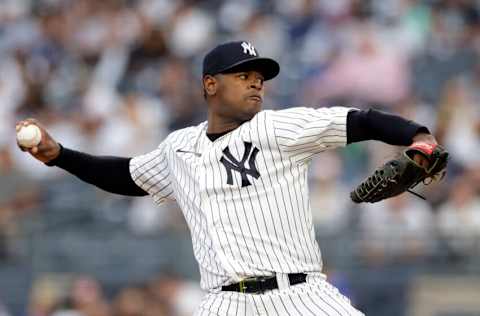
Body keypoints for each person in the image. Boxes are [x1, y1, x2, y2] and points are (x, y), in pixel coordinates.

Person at [17, 41, 438, 315]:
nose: (256, 82)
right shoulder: (179, 147)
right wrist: (60, 156)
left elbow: (359, 121)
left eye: (259, 76)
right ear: (210, 84)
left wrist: (417, 136)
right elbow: (127, 176)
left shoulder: (277, 127)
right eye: (244, 74)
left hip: (301, 295)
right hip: (224, 303)